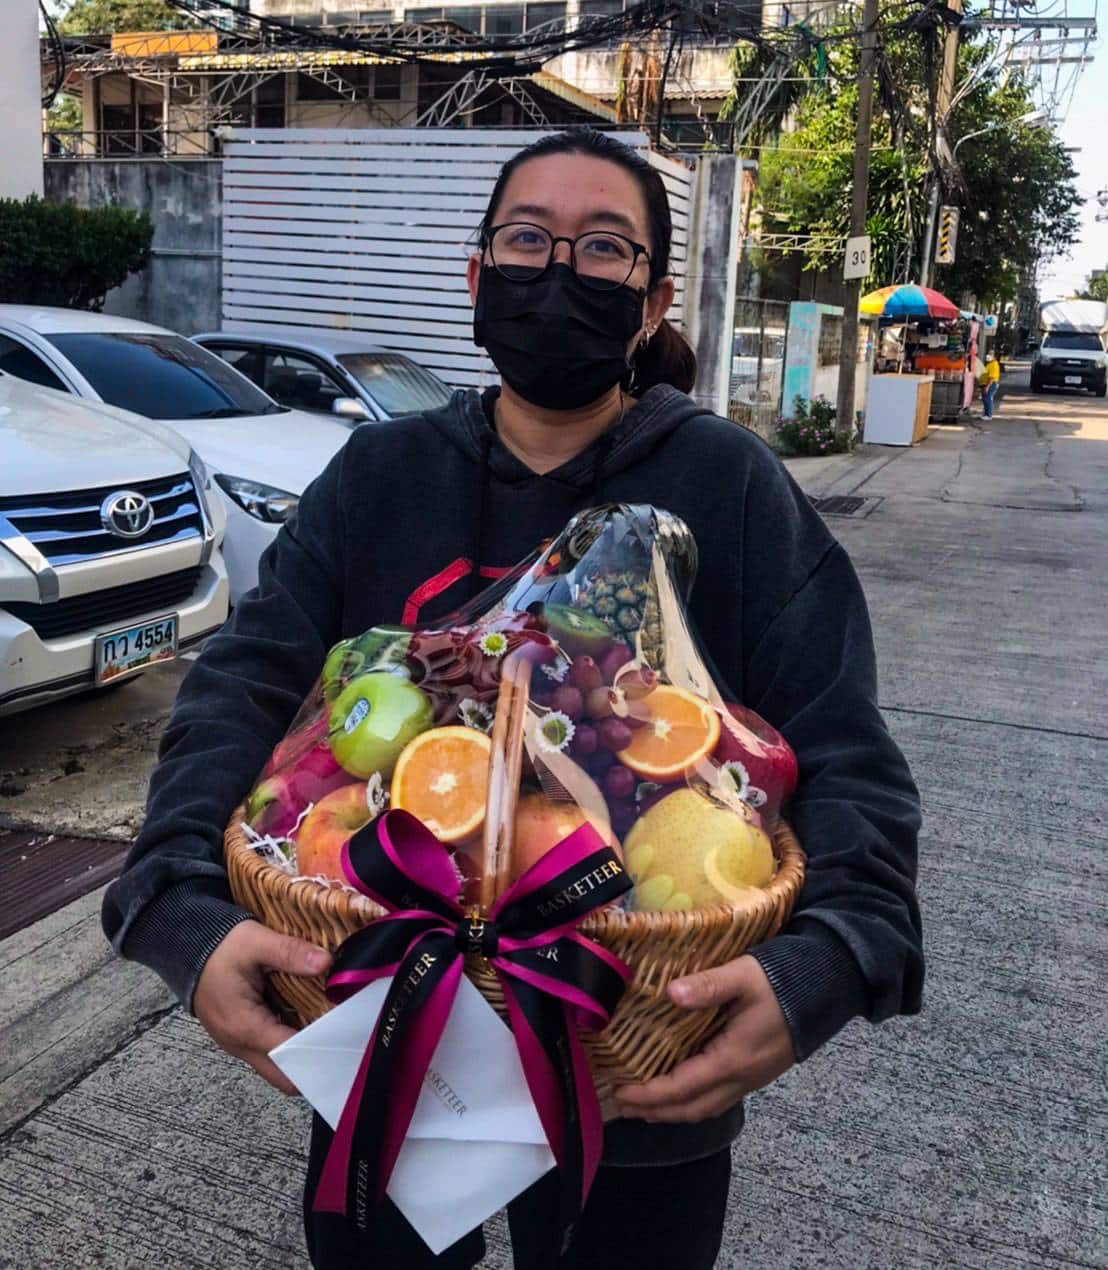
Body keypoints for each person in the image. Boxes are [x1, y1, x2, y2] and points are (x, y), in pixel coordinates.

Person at [102, 127, 923, 1270]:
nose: (560, 271)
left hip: (644, 1067)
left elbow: (844, 747)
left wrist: (827, 962)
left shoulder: (728, 485)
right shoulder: (380, 476)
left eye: (604, 249)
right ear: (476, 273)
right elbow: (244, 682)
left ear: (653, 298)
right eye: (528, 239)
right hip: (387, 1045)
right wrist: (177, 907)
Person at [980, 351, 1001, 418]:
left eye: (990, 354)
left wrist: (987, 387)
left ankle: (988, 415)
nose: (988, 355)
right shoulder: (990, 364)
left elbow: (991, 378)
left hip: (991, 384)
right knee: (985, 399)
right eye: (988, 353)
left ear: (994, 356)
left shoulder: (994, 364)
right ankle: (986, 414)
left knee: (988, 398)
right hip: (986, 384)